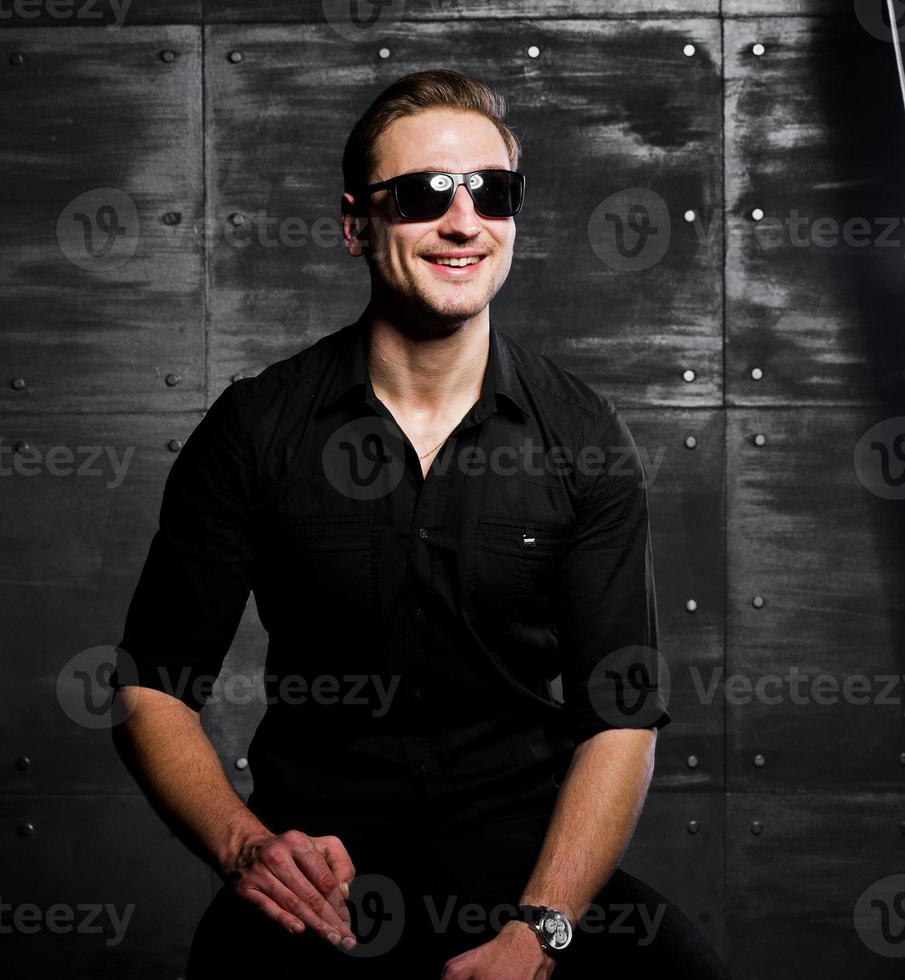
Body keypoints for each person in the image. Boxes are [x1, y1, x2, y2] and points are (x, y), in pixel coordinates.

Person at [110, 68, 732, 979]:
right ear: (355, 223)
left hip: (530, 877)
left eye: (491, 190)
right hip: (323, 890)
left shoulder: (583, 436)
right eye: (422, 195)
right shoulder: (255, 430)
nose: (462, 220)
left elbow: (619, 718)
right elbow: (149, 693)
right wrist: (246, 848)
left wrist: (541, 929)